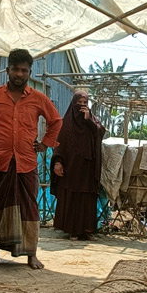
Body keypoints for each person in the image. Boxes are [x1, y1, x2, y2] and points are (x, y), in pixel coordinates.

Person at [0, 49, 62, 270]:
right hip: (1, 160)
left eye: (24, 70)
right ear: (8, 70)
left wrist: (46, 143)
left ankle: (31, 255)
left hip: (27, 162)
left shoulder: (38, 98)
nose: (19, 74)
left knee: (29, 208)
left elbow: (56, 121)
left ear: (29, 72)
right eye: (15, 69)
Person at [50, 91, 106, 240]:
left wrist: (88, 121)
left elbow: (100, 133)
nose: (82, 106)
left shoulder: (93, 121)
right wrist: (58, 163)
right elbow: (60, 145)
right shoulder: (66, 124)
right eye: (79, 103)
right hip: (71, 168)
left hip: (88, 168)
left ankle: (87, 230)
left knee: (87, 198)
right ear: (73, 104)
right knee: (72, 197)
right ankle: (72, 230)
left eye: (85, 103)